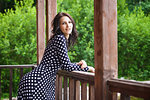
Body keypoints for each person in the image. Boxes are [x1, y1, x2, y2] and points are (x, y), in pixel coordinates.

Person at [17, 12, 95, 100]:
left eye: (69, 22)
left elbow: (63, 64)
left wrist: (78, 64)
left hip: (37, 80)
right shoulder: (60, 38)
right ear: (59, 26)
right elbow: (67, 66)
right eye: (64, 23)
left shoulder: (57, 39)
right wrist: (88, 68)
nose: (68, 25)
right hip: (38, 82)